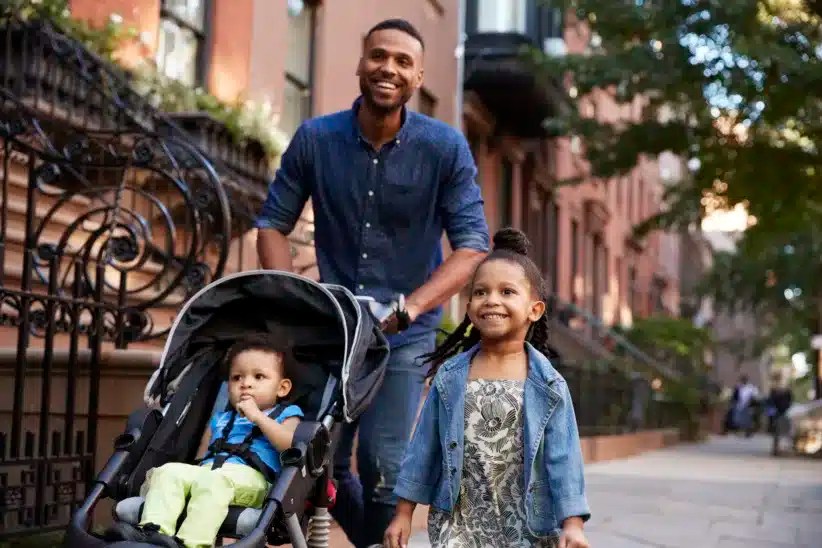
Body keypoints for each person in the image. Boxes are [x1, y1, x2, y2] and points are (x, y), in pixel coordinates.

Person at [254, 18, 489, 547]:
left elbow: (473, 245)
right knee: (317, 459)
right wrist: (291, 293)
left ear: (419, 75)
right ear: (362, 63)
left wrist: (410, 308)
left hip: (401, 338)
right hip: (331, 329)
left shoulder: (445, 148)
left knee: (385, 464)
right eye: (379, 56)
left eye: (403, 61)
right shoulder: (316, 139)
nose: (389, 68)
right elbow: (272, 223)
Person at [385, 228, 591, 548]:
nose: (492, 299)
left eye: (507, 292)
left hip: (528, 529)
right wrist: (403, 513)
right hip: (460, 524)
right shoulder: (451, 376)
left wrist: (573, 523)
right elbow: (423, 449)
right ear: (469, 308)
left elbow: (564, 458)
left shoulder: (548, 384)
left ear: (534, 310)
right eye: (481, 292)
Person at [106, 334, 304, 548]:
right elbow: (205, 454)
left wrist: (258, 417)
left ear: (282, 388)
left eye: (258, 377)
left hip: (254, 480)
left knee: (213, 482)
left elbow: (290, 446)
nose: (246, 384)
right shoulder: (223, 418)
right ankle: (154, 533)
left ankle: (192, 544)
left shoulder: (287, 413)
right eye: (237, 378)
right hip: (211, 472)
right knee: (169, 471)